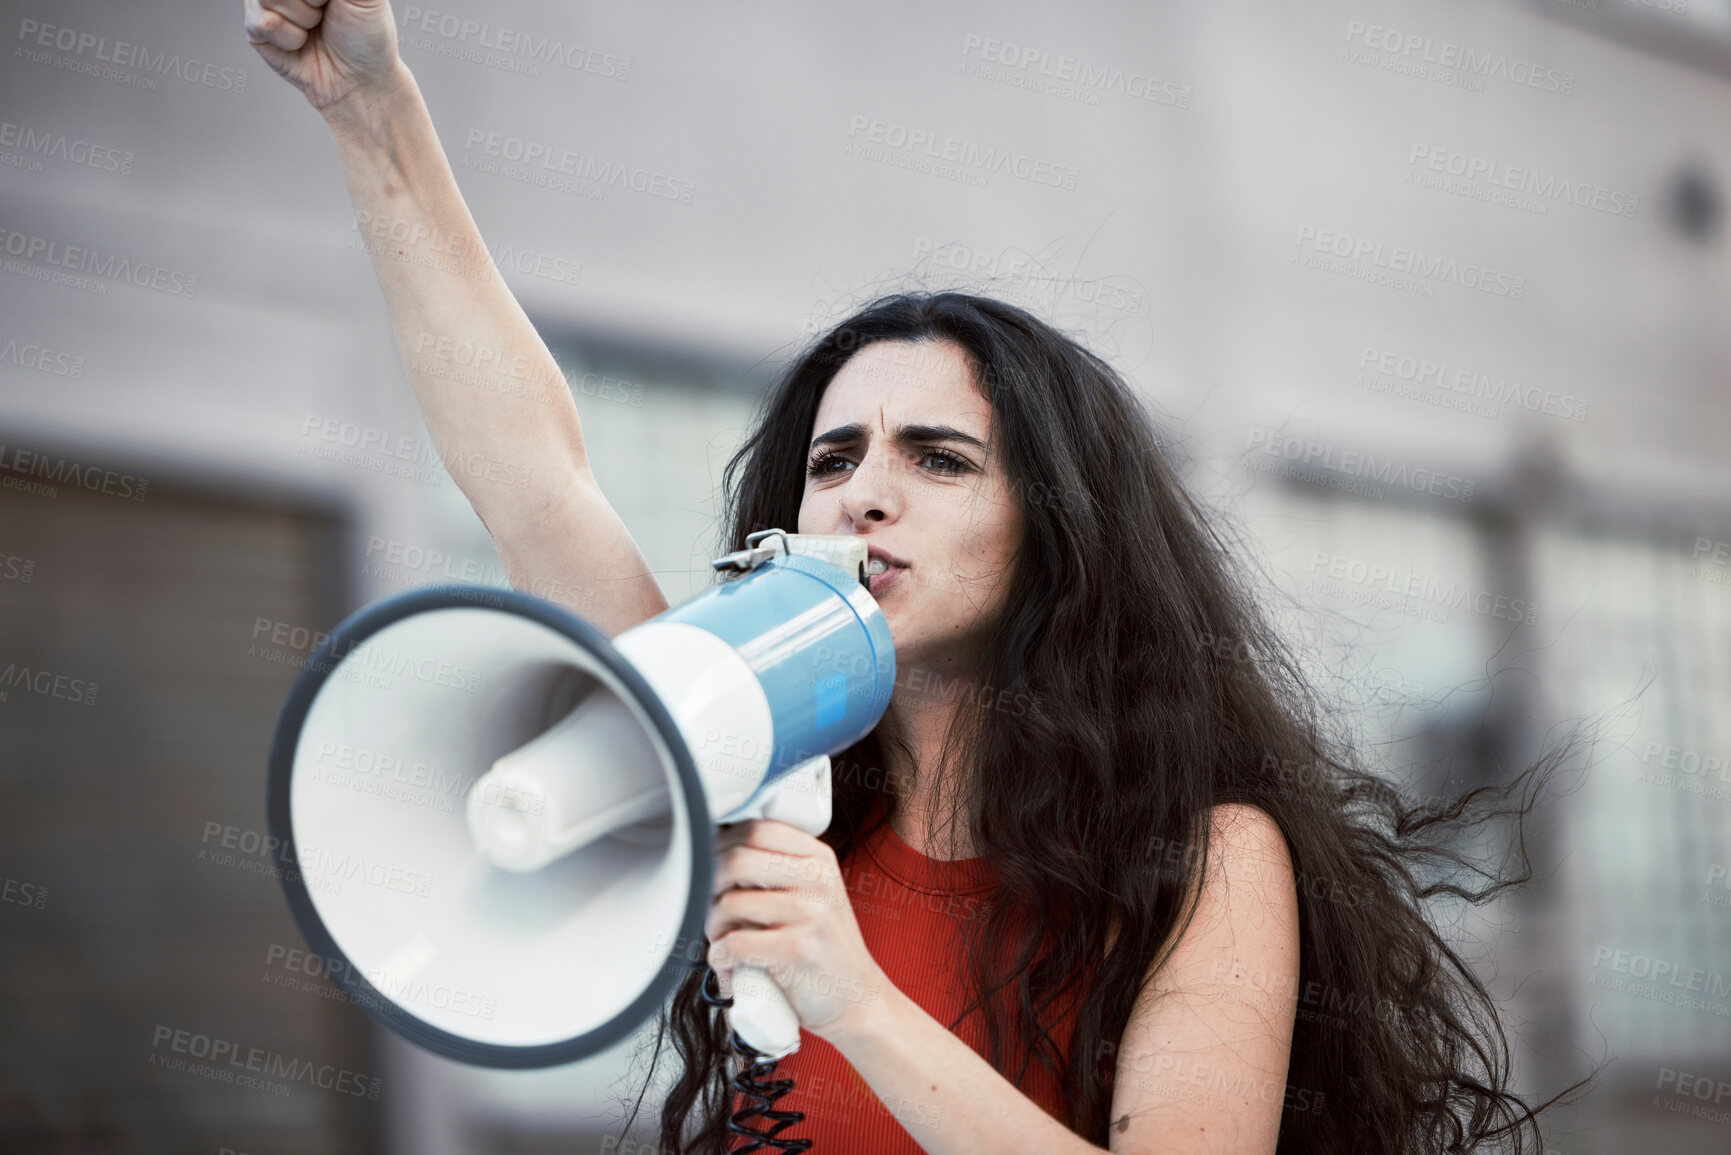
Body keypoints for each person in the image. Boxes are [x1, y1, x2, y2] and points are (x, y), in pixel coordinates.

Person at [245, 3, 1590, 1152]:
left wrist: (855, 1002)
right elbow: (532, 479)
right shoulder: (732, 769)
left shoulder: (1203, 860)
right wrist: (375, 116)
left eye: (939, 458)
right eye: (833, 459)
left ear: (1059, 530)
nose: (864, 490)